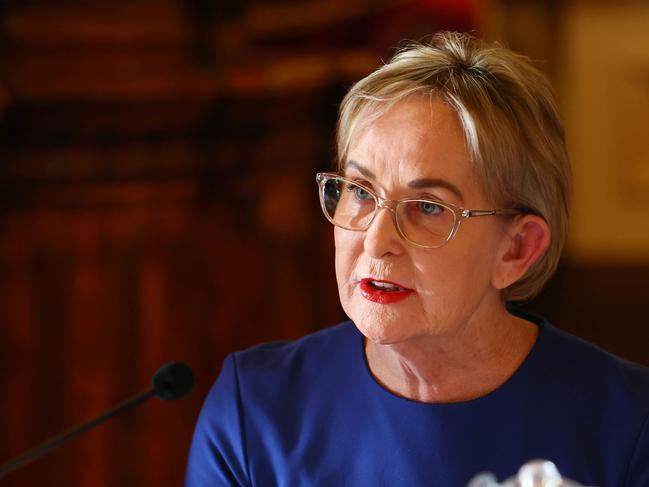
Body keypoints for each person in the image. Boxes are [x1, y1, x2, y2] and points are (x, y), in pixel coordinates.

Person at [185, 32, 649, 486]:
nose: (375, 241)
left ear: (517, 249)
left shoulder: (629, 426)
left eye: (428, 206)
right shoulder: (255, 412)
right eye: (360, 192)